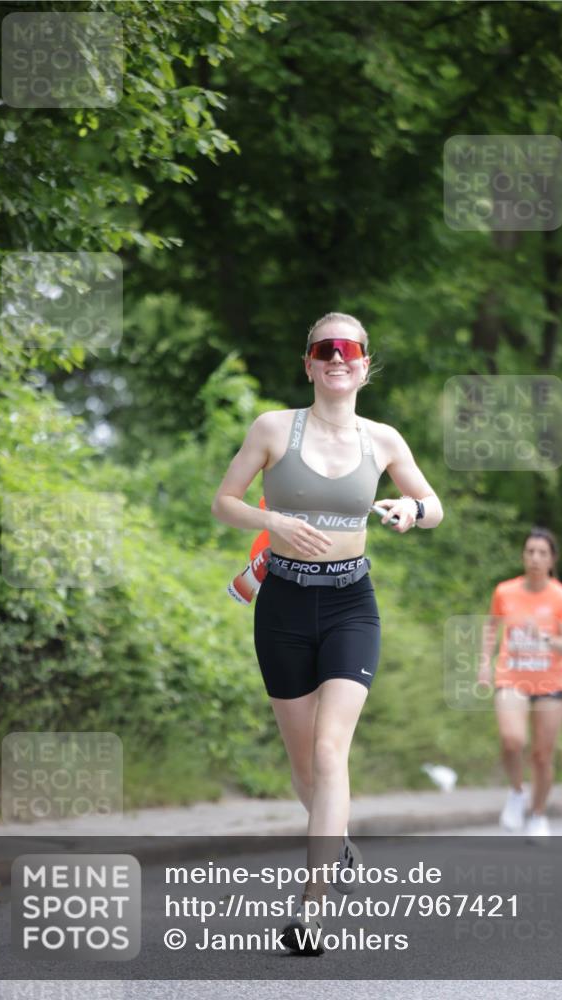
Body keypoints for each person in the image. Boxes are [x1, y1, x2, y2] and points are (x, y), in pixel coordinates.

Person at [211, 311, 443, 953]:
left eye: (351, 349)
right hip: (282, 604)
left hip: (351, 605)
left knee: (328, 750)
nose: (338, 359)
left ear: (366, 364)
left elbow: (434, 507)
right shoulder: (272, 429)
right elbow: (224, 502)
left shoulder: (385, 440)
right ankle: (334, 838)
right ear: (309, 363)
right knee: (302, 762)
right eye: (325, 349)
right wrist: (274, 523)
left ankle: (310, 910)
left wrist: (409, 508)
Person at [478, 528, 562, 836]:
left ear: (552, 560)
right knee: (512, 740)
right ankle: (516, 792)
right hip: (512, 675)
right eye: (530, 552)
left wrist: (547, 637)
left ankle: (538, 814)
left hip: (552, 681)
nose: (535, 558)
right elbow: (490, 628)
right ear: (523, 556)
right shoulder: (505, 592)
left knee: (541, 755)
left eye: (542, 553)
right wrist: (485, 663)